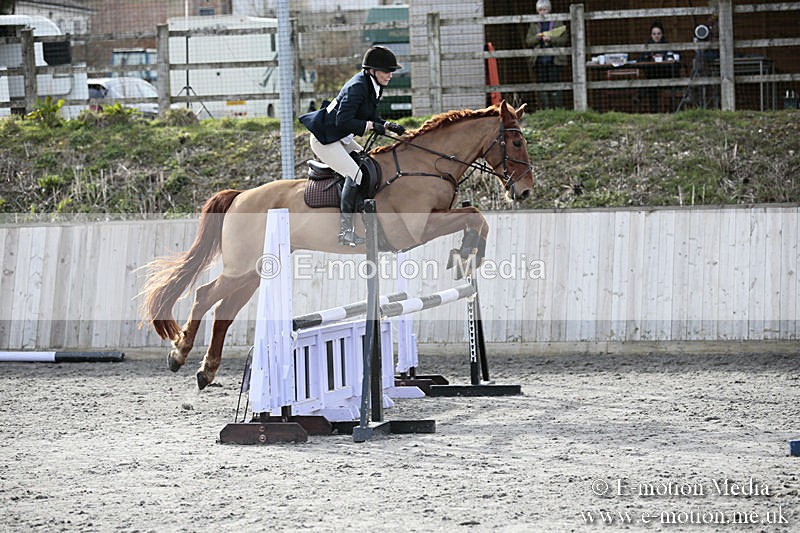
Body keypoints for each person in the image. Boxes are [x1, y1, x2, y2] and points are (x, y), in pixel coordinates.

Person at [299, 46, 406, 246]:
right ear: (372, 70)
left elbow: (369, 115)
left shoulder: (373, 84)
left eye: (391, 71)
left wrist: (386, 125)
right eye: (386, 71)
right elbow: (343, 121)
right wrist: (371, 125)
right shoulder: (358, 86)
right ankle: (345, 231)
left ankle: (367, 218)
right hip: (326, 138)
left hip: (341, 137)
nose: (390, 75)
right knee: (355, 174)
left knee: (370, 166)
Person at [525, 0, 569, 109]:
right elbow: (528, 41)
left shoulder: (557, 22)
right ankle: (545, 109)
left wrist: (551, 39)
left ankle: (558, 109)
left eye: (544, 9)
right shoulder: (534, 24)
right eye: (540, 10)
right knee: (542, 84)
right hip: (539, 60)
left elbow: (564, 39)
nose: (542, 12)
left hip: (555, 59)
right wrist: (537, 37)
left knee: (555, 83)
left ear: (549, 10)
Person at [639, 21, 674, 112]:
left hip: (665, 74)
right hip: (652, 73)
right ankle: (653, 111)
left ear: (662, 34)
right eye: (654, 34)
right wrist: (650, 57)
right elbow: (641, 59)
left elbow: (673, 57)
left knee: (650, 83)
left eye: (658, 33)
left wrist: (664, 57)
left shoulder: (667, 45)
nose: (656, 36)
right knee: (651, 83)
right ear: (651, 35)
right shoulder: (647, 46)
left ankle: (640, 95)